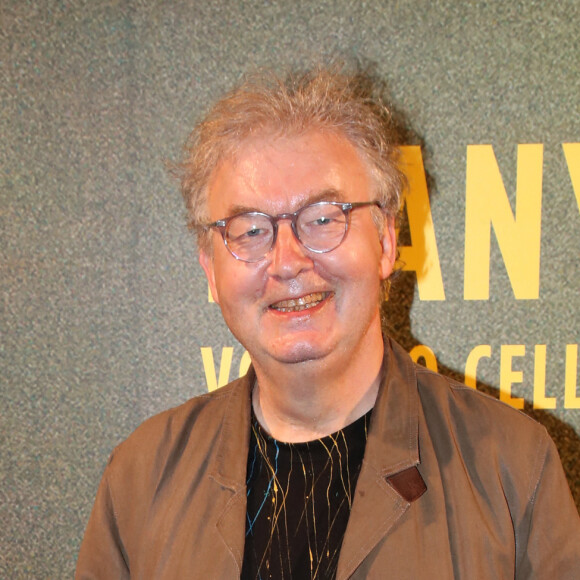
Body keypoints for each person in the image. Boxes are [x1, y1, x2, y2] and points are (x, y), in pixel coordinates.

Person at [76, 66, 580, 579]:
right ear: (210, 268)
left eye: (322, 218)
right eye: (250, 231)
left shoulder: (511, 467)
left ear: (385, 241)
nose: (288, 260)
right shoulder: (141, 477)